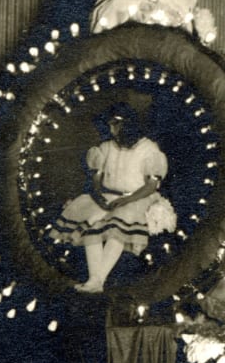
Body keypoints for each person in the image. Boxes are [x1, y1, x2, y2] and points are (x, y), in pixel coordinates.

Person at [49, 103, 177, 293]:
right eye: (110, 125)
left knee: (118, 227)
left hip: (136, 199)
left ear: (129, 124)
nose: (112, 129)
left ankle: (97, 281)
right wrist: (97, 194)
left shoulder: (149, 148)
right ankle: (95, 280)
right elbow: (97, 178)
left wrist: (127, 200)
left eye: (116, 124)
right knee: (92, 225)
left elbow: (151, 186)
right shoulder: (105, 147)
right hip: (108, 196)